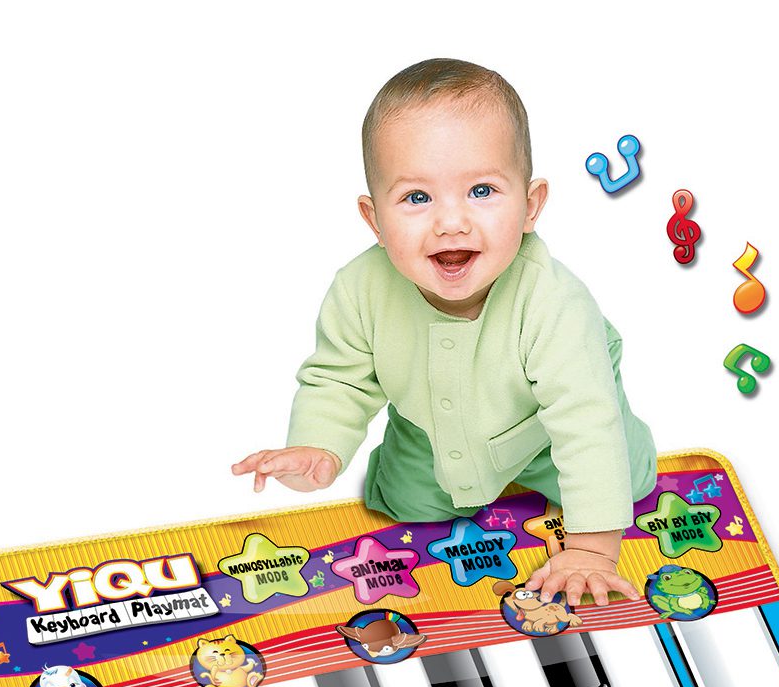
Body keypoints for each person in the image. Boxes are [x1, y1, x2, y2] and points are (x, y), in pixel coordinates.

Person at [232, 59, 655, 608]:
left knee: (623, 479)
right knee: (404, 503)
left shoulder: (554, 303)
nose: (451, 222)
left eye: (481, 190)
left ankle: (600, 502)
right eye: (416, 198)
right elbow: (340, 380)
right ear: (374, 219)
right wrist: (318, 445)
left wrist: (592, 551)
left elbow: (585, 424)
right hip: (426, 427)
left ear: (530, 206)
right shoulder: (360, 288)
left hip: (546, 435)